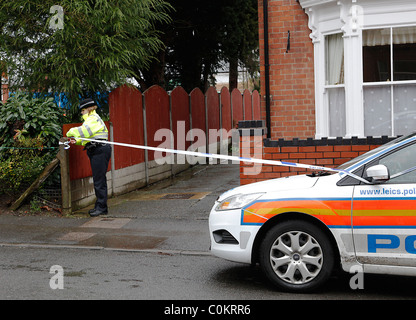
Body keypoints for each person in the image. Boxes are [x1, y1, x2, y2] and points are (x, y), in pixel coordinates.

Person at [66, 98, 111, 217]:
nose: (81, 113)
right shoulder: (92, 119)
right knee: (98, 179)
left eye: (83, 110)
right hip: (96, 149)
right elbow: (87, 137)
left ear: (88, 109)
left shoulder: (93, 119)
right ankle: (100, 206)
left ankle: (101, 208)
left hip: (99, 150)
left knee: (99, 180)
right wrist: (77, 142)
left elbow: (83, 132)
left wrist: (70, 131)